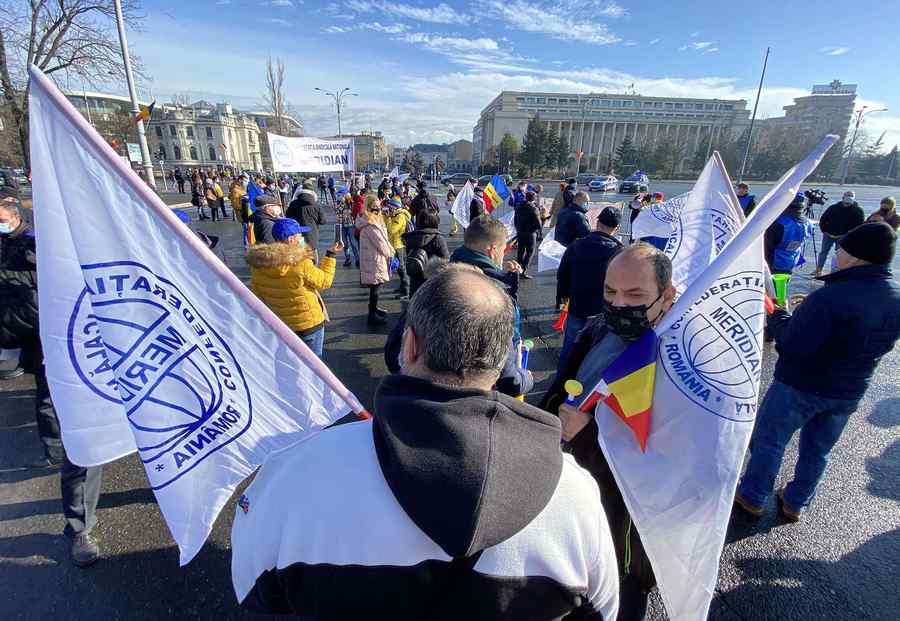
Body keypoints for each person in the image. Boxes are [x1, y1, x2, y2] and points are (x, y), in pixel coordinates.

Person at [233, 266, 620, 621]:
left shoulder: (299, 469)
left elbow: (252, 591)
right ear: (503, 358)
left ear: (410, 346)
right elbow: (602, 611)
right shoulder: (573, 490)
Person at [540, 243, 677, 621]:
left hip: (623, 533)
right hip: (571, 500)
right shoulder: (599, 328)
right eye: (610, 291)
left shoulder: (679, 363)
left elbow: (665, 464)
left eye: (634, 296)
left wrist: (586, 437)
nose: (618, 304)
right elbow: (562, 387)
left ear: (668, 296)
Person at [735, 222, 900, 522]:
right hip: (849, 390)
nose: (837, 253)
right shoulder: (895, 297)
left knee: (770, 441)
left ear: (857, 256)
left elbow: (793, 344)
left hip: (800, 385)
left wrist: (780, 315)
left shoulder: (830, 297)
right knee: (818, 451)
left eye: (842, 248)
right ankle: (796, 501)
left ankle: (752, 496)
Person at [0, 201, 103, 567]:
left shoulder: (95, 243)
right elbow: (11, 322)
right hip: (62, 363)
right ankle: (80, 528)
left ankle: (179, 497)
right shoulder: (17, 257)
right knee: (82, 448)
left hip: (116, 356)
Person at [449, 216, 532, 398]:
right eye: (504, 249)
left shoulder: (443, 274)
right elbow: (509, 380)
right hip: (480, 392)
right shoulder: (492, 295)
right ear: (493, 249)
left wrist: (505, 276)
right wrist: (526, 378)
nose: (504, 254)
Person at [246, 218, 341, 357]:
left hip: (283, 326)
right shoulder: (301, 263)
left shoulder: (258, 266)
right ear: (291, 239)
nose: (302, 238)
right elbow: (324, 282)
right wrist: (330, 255)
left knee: (290, 362)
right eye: (299, 235)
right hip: (309, 324)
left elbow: (258, 296)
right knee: (314, 363)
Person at [555, 205, 623, 374]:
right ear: (617, 228)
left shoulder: (576, 245)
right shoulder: (619, 252)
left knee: (569, 345)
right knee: (594, 350)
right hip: (602, 310)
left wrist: (564, 296)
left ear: (597, 222)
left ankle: (561, 379)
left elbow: (562, 273)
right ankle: (582, 381)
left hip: (577, 304)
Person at [357, 200, 395, 326]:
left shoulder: (369, 221)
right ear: (368, 208)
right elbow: (381, 243)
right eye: (375, 208)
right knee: (376, 287)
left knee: (376, 287)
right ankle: (372, 314)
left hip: (372, 259)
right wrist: (391, 253)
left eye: (379, 207)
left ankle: (374, 309)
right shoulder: (371, 225)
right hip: (374, 260)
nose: (378, 210)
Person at [402, 207, 449, 295]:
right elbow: (446, 260)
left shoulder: (411, 237)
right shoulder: (438, 238)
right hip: (433, 282)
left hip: (415, 282)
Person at [817, 190, 864, 276]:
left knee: (841, 255)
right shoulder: (833, 208)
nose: (848, 197)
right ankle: (818, 270)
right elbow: (823, 219)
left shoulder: (858, 211)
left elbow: (859, 226)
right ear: (843, 197)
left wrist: (849, 235)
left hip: (844, 237)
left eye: (851, 196)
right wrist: (824, 230)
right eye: (847, 195)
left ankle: (837, 272)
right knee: (823, 252)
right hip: (828, 235)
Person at [765, 193, 814, 275]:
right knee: (784, 281)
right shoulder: (808, 223)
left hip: (774, 264)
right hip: (792, 261)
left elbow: (767, 246)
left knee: (775, 282)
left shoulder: (779, 224)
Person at [286, 186, 325, 262]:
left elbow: (288, 217)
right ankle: (314, 266)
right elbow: (323, 221)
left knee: (299, 253)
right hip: (312, 232)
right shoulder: (316, 205)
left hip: (297, 232)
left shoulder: (293, 204)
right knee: (313, 251)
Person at [384, 196, 412, 300]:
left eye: (390, 205)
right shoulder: (395, 214)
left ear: (395, 206)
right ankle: (402, 287)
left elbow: (392, 230)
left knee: (402, 268)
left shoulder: (400, 216)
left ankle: (407, 291)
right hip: (394, 244)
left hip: (399, 245)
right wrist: (387, 216)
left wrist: (389, 218)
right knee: (399, 269)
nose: (389, 207)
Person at [513, 190, 543, 278]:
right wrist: (537, 230)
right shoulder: (534, 208)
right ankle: (523, 270)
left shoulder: (519, 206)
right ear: (534, 198)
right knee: (530, 252)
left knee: (520, 251)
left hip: (520, 231)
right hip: (530, 233)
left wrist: (518, 228)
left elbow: (515, 219)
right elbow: (538, 223)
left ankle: (518, 269)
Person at [335, 190, 360, 268]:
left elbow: (354, 211)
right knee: (344, 243)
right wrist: (341, 203)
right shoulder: (339, 203)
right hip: (342, 225)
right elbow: (337, 211)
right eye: (339, 195)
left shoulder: (351, 202)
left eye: (341, 195)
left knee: (353, 243)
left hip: (351, 225)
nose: (339, 197)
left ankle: (358, 259)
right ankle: (348, 259)